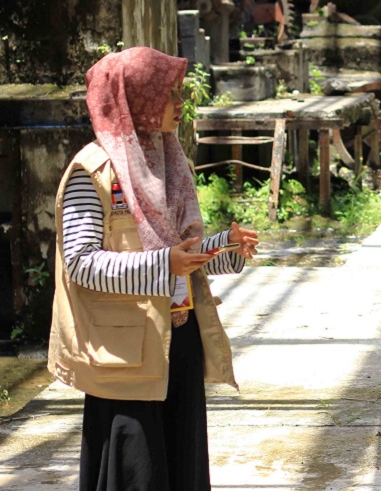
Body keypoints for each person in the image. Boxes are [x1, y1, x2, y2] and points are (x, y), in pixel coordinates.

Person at [47, 46, 259, 491]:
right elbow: (81, 263)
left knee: (182, 470)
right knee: (137, 474)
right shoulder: (94, 170)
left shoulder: (167, 160)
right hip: (124, 360)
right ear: (135, 98)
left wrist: (227, 247)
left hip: (176, 343)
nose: (180, 105)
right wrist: (166, 263)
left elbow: (181, 253)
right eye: (169, 94)